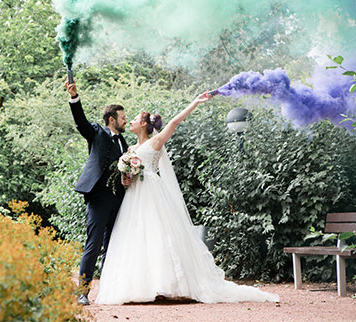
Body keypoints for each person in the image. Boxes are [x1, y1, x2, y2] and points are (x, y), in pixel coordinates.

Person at [96, 91, 279, 304]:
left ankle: (166, 286)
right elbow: (127, 177)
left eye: (135, 119)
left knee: (159, 236)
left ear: (145, 124)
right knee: (136, 237)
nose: (131, 122)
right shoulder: (129, 149)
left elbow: (174, 122)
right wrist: (126, 178)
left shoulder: (155, 142)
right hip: (135, 197)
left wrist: (195, 103)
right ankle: (140, 286)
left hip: (153, 195)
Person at [65, 80, 130, 305]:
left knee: (113, 244)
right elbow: (80, 122)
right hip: (98, 197)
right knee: (94, 244)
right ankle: (83, 292)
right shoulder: (96, 132)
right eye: (123, 118)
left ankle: (108, 291)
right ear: (111, 119)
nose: (126, 121)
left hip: (119, 198)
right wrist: (74, 97)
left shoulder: (124, 142)